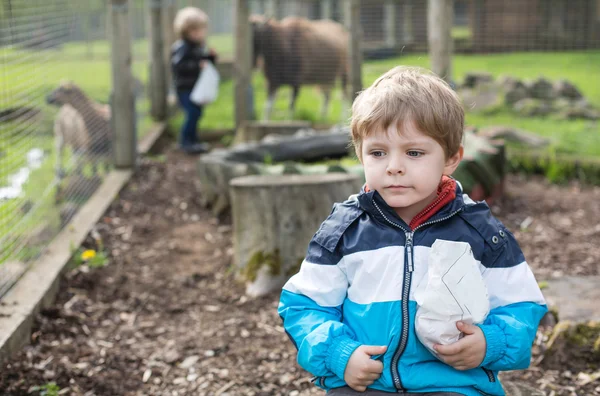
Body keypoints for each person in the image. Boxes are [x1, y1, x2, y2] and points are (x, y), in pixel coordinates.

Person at [278, 66, 548, 396]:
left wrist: (490, 344)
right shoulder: (344, 231)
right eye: (377, 152)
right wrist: (338, 354)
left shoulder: (480, 233)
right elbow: (303, 306)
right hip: (365, 384)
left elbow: (522, 304)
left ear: (451, 159)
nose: (394, 166)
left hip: (453, 384)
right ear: (360, 154)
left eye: (414, 153)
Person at [171, 7, 217, 154]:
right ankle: (185, 141)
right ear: (185, 32)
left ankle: (193, 140)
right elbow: (179, 65)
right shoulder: (182, 47)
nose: (198, 34)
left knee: (197, 113)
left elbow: (201, 60)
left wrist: (210, 58)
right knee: (192, 113)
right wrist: (198, 65)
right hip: (185, 88)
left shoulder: (197, 46)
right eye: (194, 31)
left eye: (200, 30)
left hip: (195, 87)